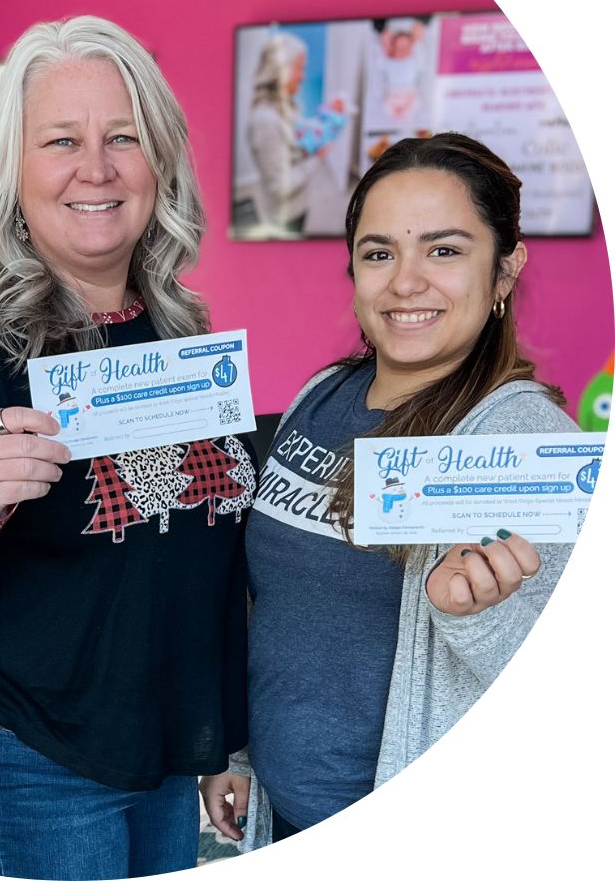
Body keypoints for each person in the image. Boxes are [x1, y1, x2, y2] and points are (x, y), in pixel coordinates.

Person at [0, 15, 256, 879]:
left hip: (159, 754)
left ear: (161, 162)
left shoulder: (182, 335)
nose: (96, 168)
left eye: (123, 137)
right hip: (24, 748)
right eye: (61, 141)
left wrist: (224, 737)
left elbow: (201, 561)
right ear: (15, 170)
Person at [201, 132, 578, 848]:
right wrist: (241, 752)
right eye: (380, 254)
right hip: (281, 820)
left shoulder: (523, 442)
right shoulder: (324, 395)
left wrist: (474, 615)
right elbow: (276, 607)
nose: (406, 282)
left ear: (505, 269)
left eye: (444, 250)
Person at [233, 31, 313, 236]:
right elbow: (280, 188)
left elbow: (294, 144)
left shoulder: (287, 108)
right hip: (285, 217)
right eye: (299, 69)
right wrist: (317, 159)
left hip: (298, 207)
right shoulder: (265, 120)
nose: (303, 76)